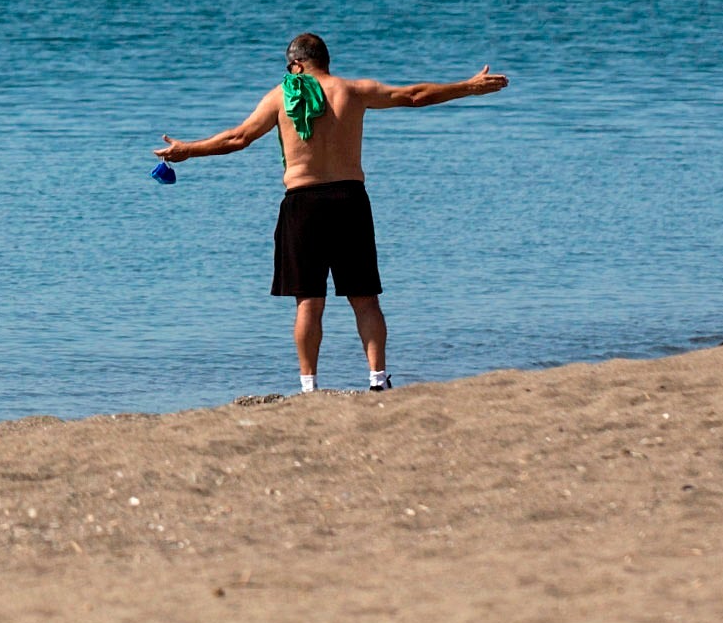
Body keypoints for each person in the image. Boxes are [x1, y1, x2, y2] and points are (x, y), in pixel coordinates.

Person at [157, 33, 507, 392]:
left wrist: (190, 150)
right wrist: (467, 87)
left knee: (309, 300)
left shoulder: (280, 98)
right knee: (365, 298)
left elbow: (238, 138)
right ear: (325, 61)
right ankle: (377, 379)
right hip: (349, 200)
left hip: (302, 203)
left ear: (296, 65)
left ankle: (309, 386)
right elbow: (414, 95)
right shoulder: (353, 91)